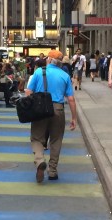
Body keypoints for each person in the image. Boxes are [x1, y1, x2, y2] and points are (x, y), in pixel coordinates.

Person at [25, 49, 77, 183]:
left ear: (48, 59)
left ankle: (40, 160)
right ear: (60, 63)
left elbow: (29, 92)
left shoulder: (38, 72)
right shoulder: (65, 75)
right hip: (58, 109)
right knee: (56, 140)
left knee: (36, 137)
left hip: (40, 108)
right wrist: (74, 118)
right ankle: (53, 171)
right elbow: (71, 99)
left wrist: (31, 108)